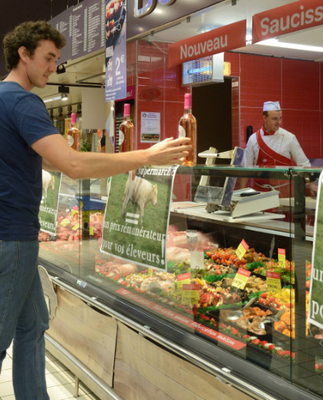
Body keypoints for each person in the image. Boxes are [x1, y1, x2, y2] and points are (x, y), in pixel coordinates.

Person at [0, 21, 191, 400]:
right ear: (23, 54)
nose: (53, 67)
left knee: (33, 323)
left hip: (10, 233)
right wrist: (146, 155)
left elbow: (53, 162)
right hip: (13, 239)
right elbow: (72, 165)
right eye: (48, 57)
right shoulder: (22, 101)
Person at [241, 101, 313, 197]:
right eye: (274, 119)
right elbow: (246, 169)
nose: (279, 122)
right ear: (264, 118)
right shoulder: (253, 139)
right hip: (260, 193)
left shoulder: (289, 138)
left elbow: (304, 164)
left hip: (284, 192)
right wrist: (241, 195)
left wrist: (310, 183)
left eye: (280, 118)